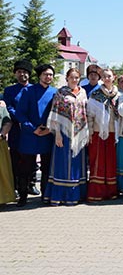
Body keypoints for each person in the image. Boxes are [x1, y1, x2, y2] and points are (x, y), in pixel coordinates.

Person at [43, 68, 89, 206]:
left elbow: (85, 113)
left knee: (77, 164)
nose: (74, 80)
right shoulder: (61, 93)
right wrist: (57, 134)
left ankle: (77, 195)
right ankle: (60, 195)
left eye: (76, 78)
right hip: (64, 133)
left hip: (79, 133)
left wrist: (86, 133)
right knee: (63, 164)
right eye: (72, 77)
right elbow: (55, 114)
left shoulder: (83, 92)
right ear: (67, 78)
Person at [15, 63, 57, 206]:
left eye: (51, 74)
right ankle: (22, 196)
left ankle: (45, 195)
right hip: (30, 135)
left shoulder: (55, 92)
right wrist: (32, 128)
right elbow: (20, 114)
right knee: (25, 168)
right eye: (45, 74)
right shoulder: (28, 91)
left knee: (46, 167)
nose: (48, 77)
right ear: (39, 75)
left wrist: (49, 129)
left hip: (47, 134)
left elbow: (58, 115)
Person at [86, 67, 120, 201]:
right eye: (104, 76)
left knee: (111, 163)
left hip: (113, 132)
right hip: (98, 132)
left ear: (113, 78)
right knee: (98, 162)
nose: (107, 78)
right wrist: (89, 132)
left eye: (109, 76)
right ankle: (97, 192)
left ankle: (111, 192)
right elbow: (89, 115)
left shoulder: (119, 95)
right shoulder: (95, 95)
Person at [3, 59, 33, 198]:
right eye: (19, 72)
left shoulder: (34, 89)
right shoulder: (9, 90)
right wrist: (21, 119)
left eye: (25, 72)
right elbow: (9, 107)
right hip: (16, 129)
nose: (22, 74)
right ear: (15, 74)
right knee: (15, 158)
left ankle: (30, 184)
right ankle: (16, 187)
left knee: (31, 159)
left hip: (31, 129)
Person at [0, 105, 14, 205]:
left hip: (0, 142)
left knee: (2, 173)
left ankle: (3, 199)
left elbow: (7, 122)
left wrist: (1, 135)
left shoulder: (1, 108)